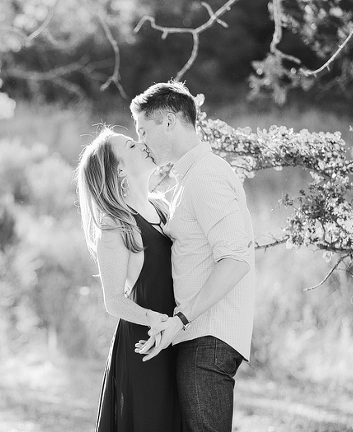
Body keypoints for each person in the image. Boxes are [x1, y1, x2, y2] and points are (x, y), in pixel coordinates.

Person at [132, 81, 257, 432]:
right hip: (199, 336)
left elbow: (235, 259)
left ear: (170, 122)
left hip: (207, 337)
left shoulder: (206, 176)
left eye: (144, 129)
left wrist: (180, 319)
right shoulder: (188, 179)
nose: (141, 141)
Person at [76, 128, 182, 432]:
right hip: (144, 348)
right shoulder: (116, 226)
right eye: (132, 145)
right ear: (120, 168)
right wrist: (157, 321)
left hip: (175, 339)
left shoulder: (162, 209)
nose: (143, 145)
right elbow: (114, 301)